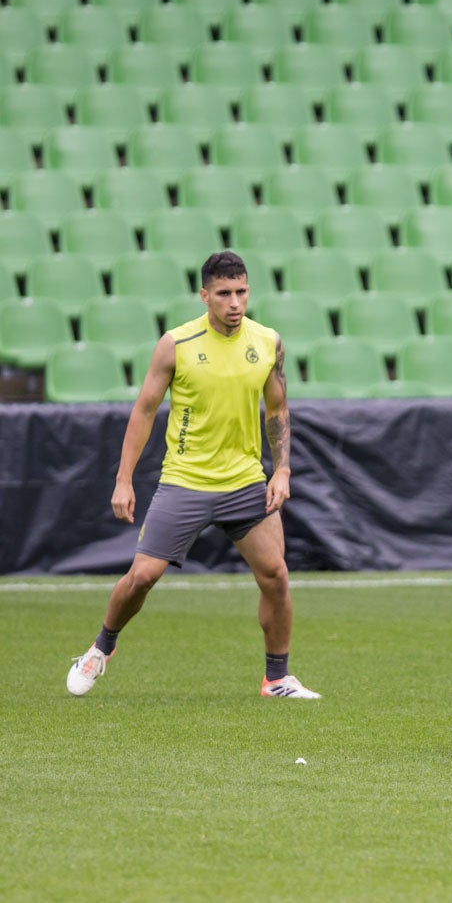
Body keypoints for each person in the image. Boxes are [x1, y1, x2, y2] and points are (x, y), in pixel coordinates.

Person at [66, 251, 319, 699]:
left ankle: (277, 677)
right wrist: (123, 479)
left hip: (245, 482)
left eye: (241, 292)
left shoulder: (268, 342)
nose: (234, 302)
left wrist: (281, 470)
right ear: (204, 295)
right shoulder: (176, 344)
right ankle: (101, 647)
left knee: (276, 576)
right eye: (223, 294)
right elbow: (144, 410)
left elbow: (277, 409)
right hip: (185, 480)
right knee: (142, 577)